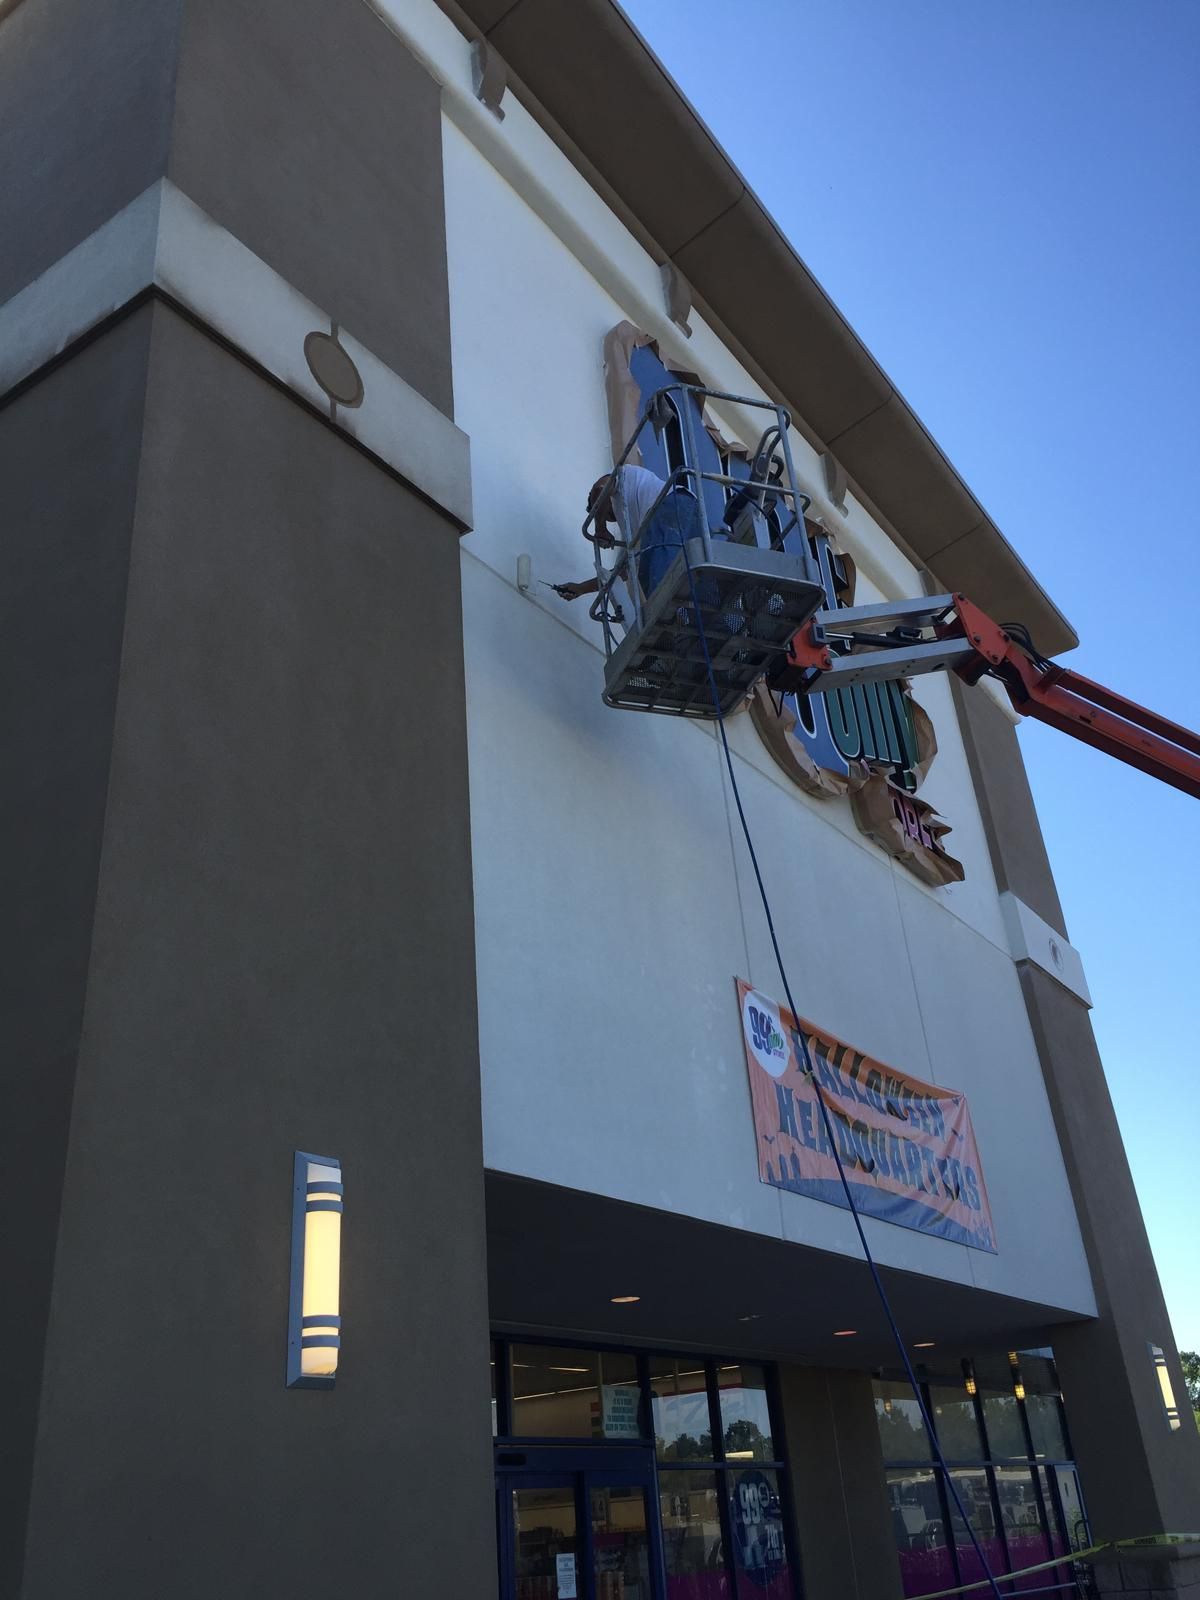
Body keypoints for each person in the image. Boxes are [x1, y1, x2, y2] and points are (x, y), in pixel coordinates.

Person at [553, 464, 704, 622]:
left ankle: (674, 618)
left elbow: (600, 489)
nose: (608, 518)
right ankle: (696, 622)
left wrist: (600, 528)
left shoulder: (624, 478)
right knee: (697, 576)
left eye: (602, 513)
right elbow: (622, 573)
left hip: (668, 505)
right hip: (690, 509)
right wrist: (580, 588)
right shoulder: (632, 531)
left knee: (659, 579)